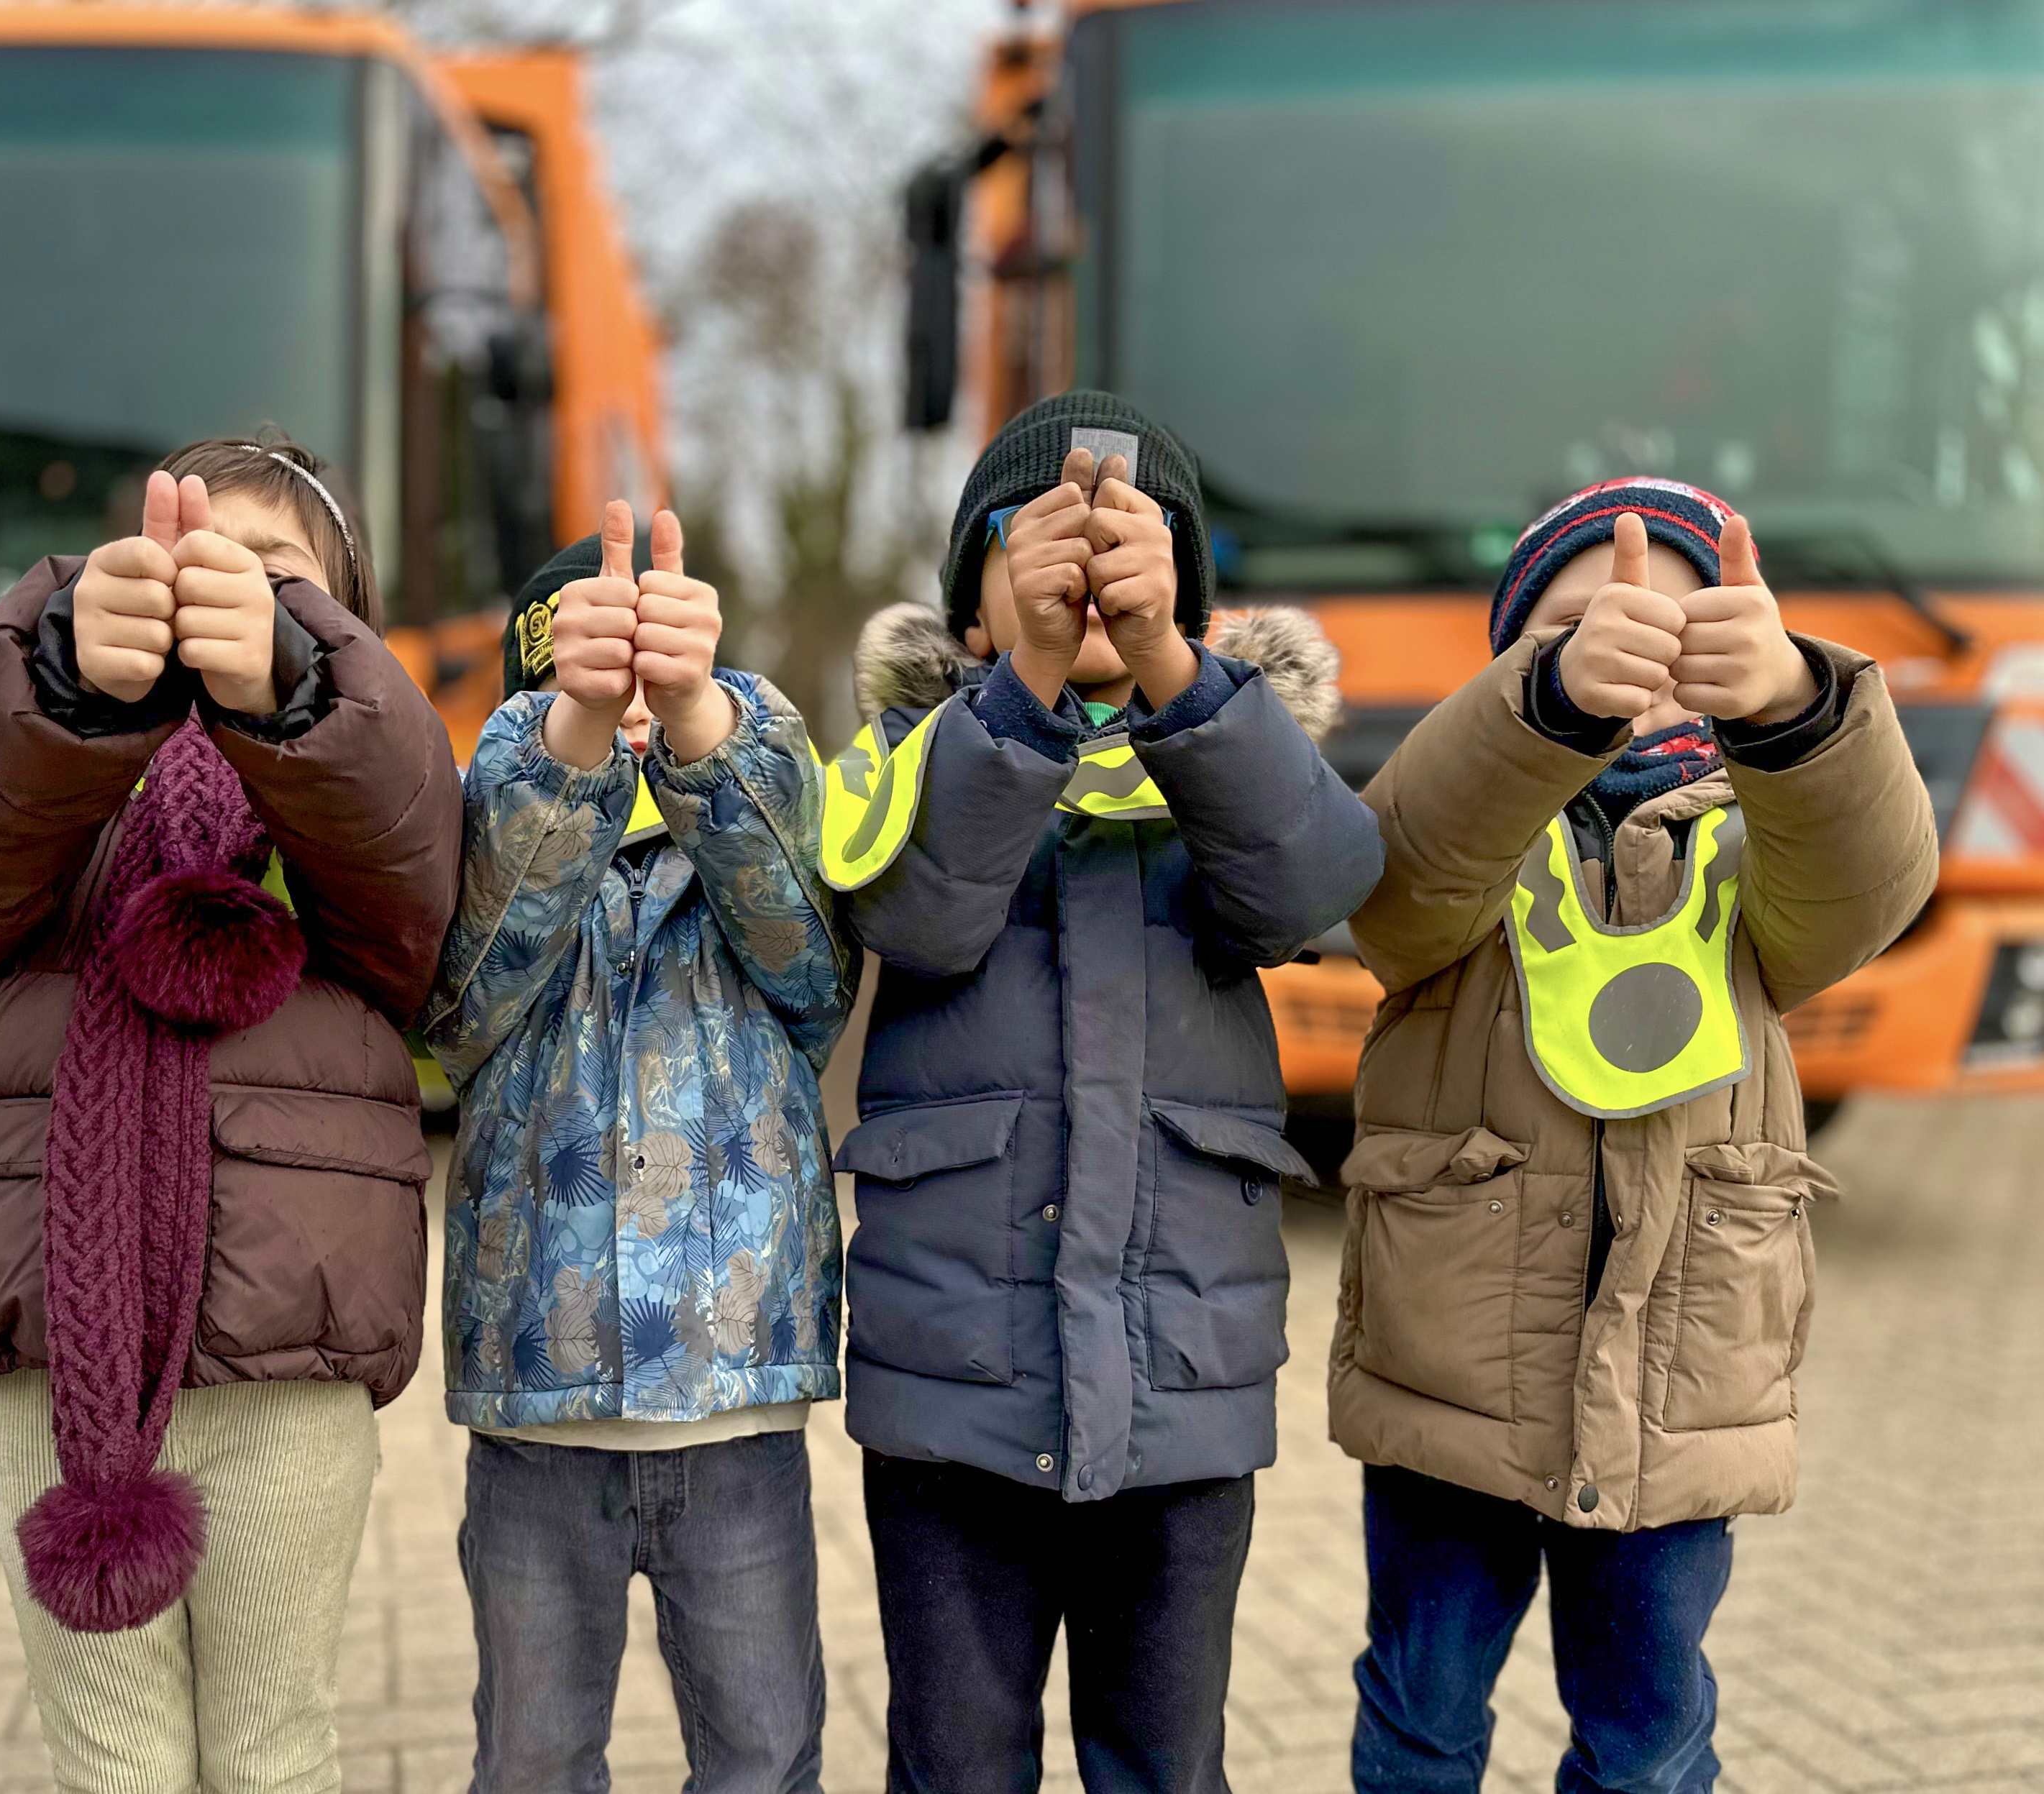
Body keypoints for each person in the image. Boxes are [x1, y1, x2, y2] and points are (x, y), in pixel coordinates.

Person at [1333, 477, 1940, 1793]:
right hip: (1457, 1381)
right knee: (1422, 1711)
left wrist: (1789, 703)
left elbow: (1870, 890)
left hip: (1680, 1383)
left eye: (1679, 623)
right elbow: (1392, 891)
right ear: (1508, 660)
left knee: (1651, 1736)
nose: (1636, 645)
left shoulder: (1759, 839)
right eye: (1578, 620)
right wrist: (1545, 714)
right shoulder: (1472, 820)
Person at [825, 390, 1382, 1794]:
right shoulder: (905, 760)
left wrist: (1168, 667)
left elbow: (1317, 887)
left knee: (1163, 1763)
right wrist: (1022, 689)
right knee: (954, 1763)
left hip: (1178, 1382)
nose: (1079, 582)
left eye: (1132, 563)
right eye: (1025, 556)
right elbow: (918, 918)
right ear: (965, 619)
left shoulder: (1230, 760)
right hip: (956, 1381)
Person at [0, 434, 461, 1794]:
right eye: (184, 560)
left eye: (275, 579)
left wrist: (294, 688)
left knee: (272, 1753)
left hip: (283, 1356)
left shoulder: (360, 770)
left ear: (344, 626)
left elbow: (407, 879)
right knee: (113, 1766)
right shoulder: (68, 768)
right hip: (55, 1354)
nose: (220, 596)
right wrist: (59, 673)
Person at [421, 500, 854, 1794]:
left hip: (737, 1407)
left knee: (765, 1756)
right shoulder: (494, 826)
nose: (632, 710)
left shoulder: (752, 801)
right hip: (537, 1415)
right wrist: (574, 741)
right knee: (535, 1759)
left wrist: (703, 726)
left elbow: (813, 958)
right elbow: (461, 1000)